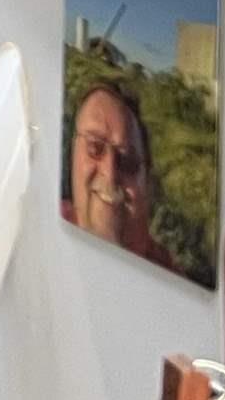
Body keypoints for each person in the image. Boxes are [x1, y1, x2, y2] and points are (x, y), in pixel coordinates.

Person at [63, 81, 169, 266]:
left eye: (128, 162)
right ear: (72, 153)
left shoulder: (165, 277)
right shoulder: (35, 225)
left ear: (148, 184)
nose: (110, 173)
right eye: (95, 147)